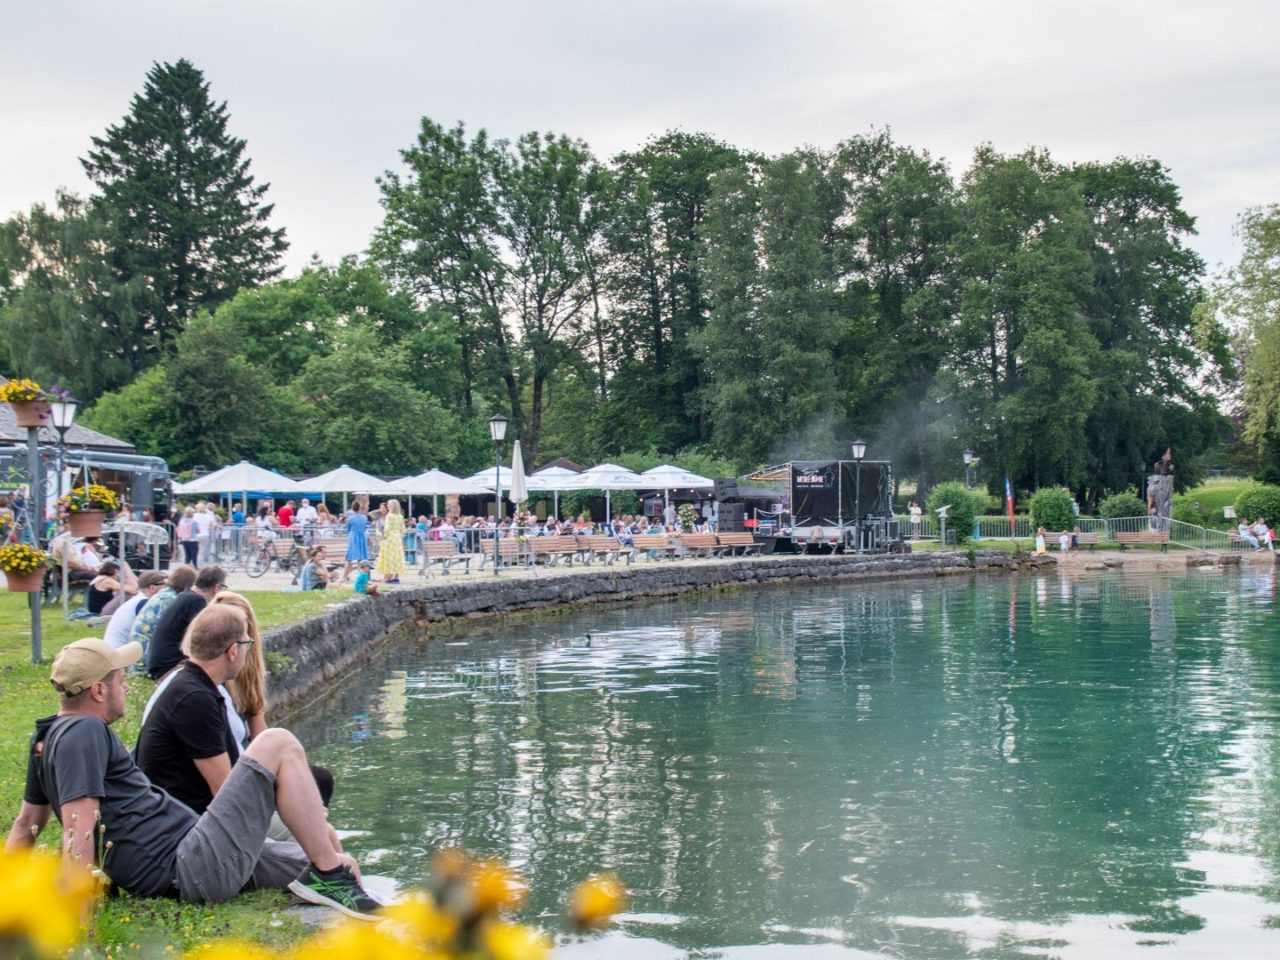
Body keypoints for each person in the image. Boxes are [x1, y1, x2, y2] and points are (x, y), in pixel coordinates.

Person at [5, 637, 379, 918]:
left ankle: (331, 876)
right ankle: (329, 876)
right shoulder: (84, 733)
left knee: (338, 858)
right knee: (277, 743)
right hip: (186, 867)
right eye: (120, 680)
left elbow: (25, 827)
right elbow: (79, 830)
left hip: (195, 849)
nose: (127, 687)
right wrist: (77, 926)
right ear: (98, 690)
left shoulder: (48, 736)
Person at [146, 566, 226, 679]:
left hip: (159, 665)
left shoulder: (186, 596)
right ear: (217, 587)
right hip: (168, 668)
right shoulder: (196, 602)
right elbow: (204, 639)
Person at [130, 564, 197, 657]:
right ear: (190, 585)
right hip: (147, 658)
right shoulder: (172, 600)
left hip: (138, 654)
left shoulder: (165, 594)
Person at [104, 571, 167, 648]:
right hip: (120, 653)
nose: (168, 589)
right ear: (152, 588)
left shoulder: (138, 600)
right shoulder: (144, 603)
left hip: (117, 649)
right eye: (166, 585)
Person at [376, 499, 406, 584]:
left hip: (390, 538)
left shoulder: (389, 515)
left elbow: (387, 528)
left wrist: (383, 537)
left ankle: (390, 577)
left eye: (389, 505)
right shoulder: (400, 516)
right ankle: (396, 576)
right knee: (397, 557)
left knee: (390, 558)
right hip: (397, 538)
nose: (388, 506)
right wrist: (400, 536)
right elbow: (403, 530)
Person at [342, 502, 371, 582]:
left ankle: (344, 576)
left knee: (349, 558)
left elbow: (347, 528)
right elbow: (366, 526)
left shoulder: (350, 518)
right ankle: (361, 577)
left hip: (353, 537)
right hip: (362, 536)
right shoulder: (364, 517)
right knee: (361, 558)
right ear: (359, 508)